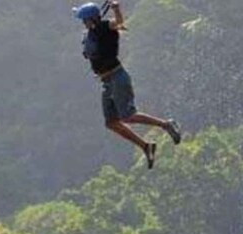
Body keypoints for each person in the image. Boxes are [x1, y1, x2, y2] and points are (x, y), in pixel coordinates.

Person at [74, 1, 182, 169]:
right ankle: (146, 146)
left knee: (128, 116)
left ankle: (166, 124)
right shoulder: (91, 33)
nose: (83, 23)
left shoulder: (105, 26)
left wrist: (116, 8)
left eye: (84, 19)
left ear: (92, 19)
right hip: (106, 82)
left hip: (117, 77)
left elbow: (118, 23)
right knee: (111, 122)